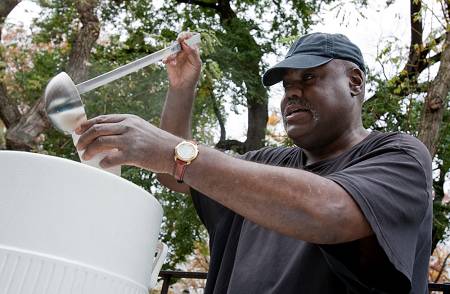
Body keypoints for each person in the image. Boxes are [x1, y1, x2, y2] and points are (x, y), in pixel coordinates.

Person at [75, 32, 432, 293]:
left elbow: (332, 211)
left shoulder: (398, 155)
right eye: (287, 85)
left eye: (309, 78)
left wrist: (172, 151)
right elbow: (181, 177)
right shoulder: (269, 162)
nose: (292, 92)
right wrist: (182, 89)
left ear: (354, 81)